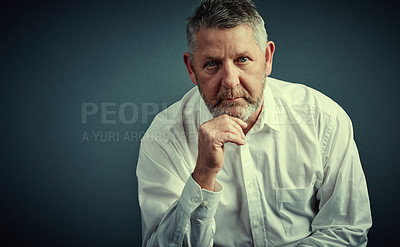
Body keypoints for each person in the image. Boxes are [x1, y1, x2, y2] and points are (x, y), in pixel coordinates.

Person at [136, 0, 372, 246]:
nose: (230, 81)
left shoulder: (324, 119)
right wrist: (203, 176)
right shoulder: (164, 136)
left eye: (242, 60)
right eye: (212, 64)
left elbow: (346, 231)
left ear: (267, 58)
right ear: (191, 68)